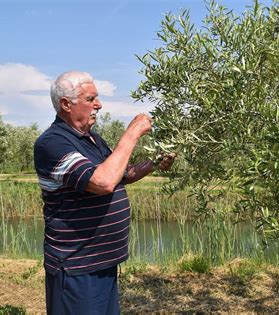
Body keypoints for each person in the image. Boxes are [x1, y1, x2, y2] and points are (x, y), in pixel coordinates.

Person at [34, 71, 175, 314]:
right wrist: (132, 134)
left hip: (102, 263)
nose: (98, 104)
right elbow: (103, 181)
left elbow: (123, 174)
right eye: (91, 99)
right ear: (66, 104)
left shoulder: (92, 139)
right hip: (77, 268)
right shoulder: (52, 143)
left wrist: (153, 161)